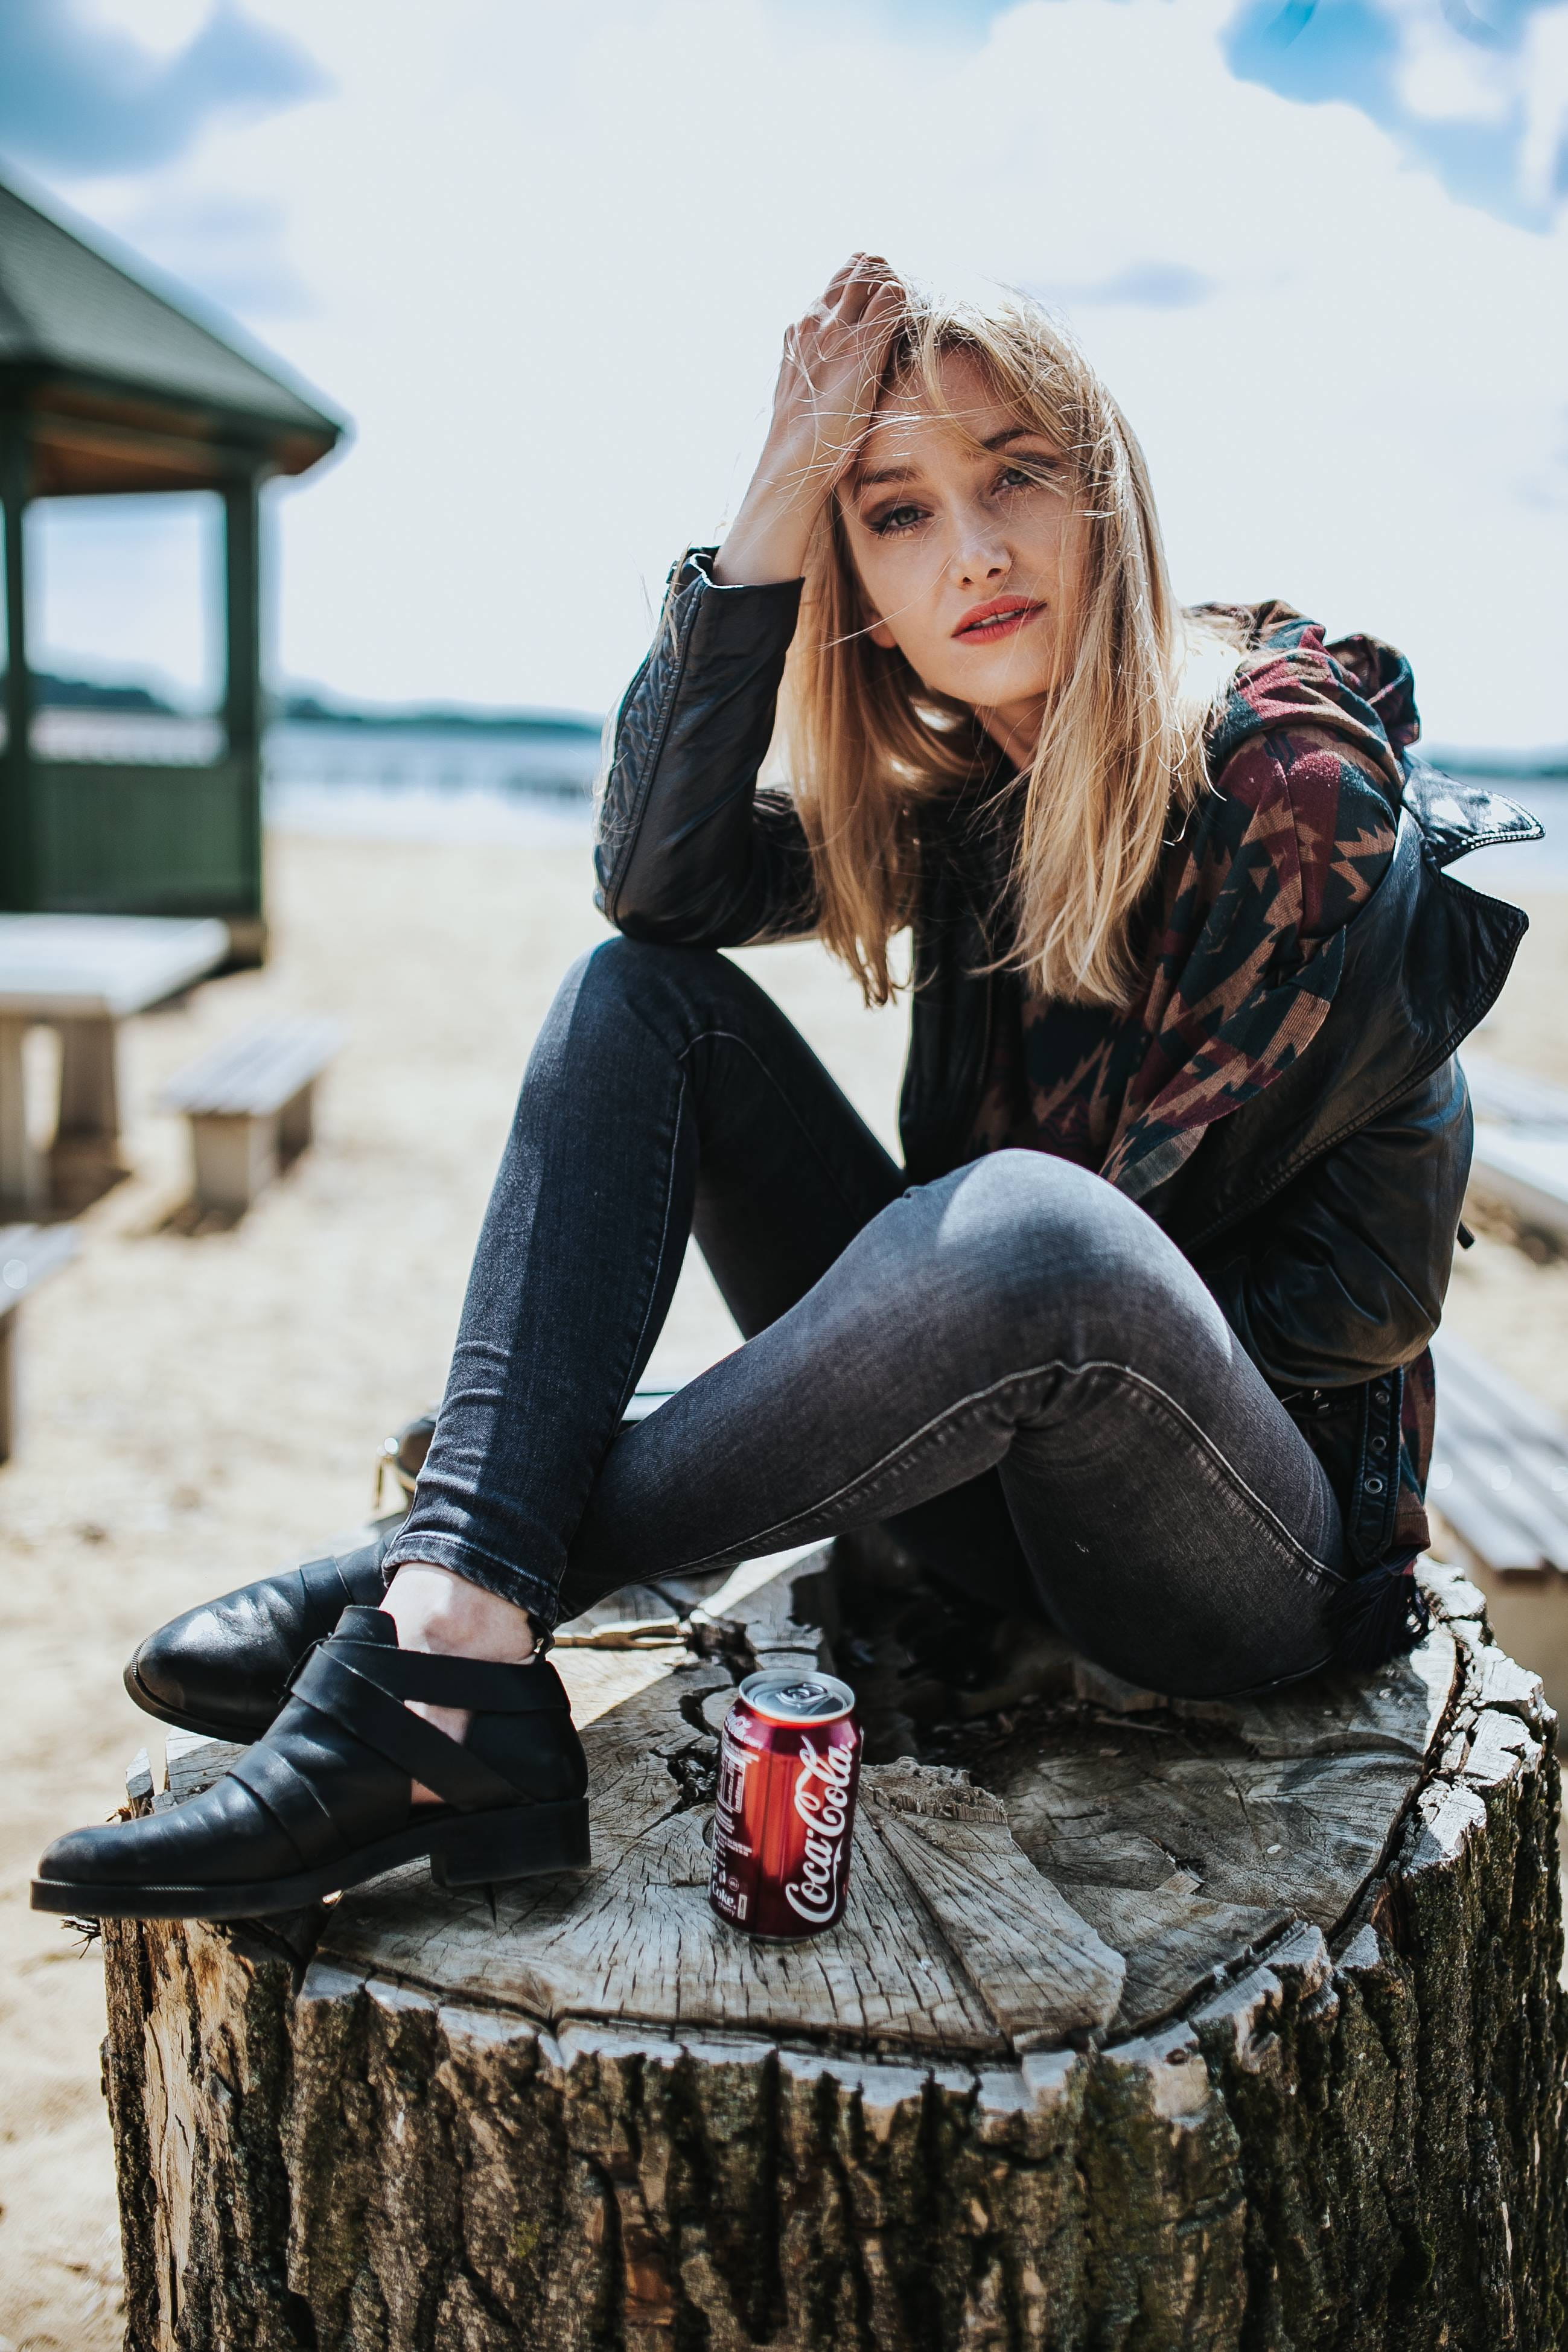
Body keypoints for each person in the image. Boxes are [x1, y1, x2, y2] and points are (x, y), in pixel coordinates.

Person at [33, 257, 1535, 1923]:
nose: (969, 548)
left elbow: (1367, 1296)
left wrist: (950, 1345)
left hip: (1241, 1551)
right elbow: (660, 891)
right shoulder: (972, 786)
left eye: (1015, 474)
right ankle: (462, 1621)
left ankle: (448, 1592)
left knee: (1041, 1236)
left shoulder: (1288, 783)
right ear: (858, 588)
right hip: (981, 1501)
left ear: (1105, 499)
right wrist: (765, 509)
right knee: (642, 1005)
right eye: (895, 513)